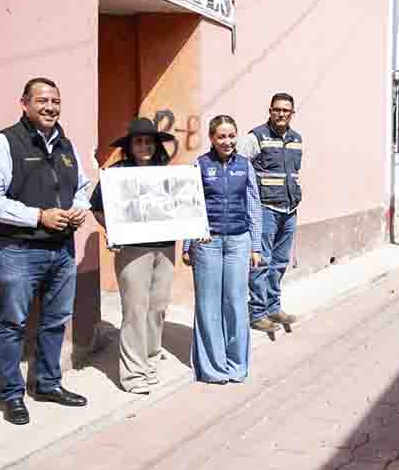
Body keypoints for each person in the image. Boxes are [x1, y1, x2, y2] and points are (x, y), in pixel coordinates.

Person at [0, 77, 90, 425]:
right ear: (24, 103)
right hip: (21, 249)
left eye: (55, 101)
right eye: (42, 100)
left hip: (63, 249)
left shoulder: (66, 145)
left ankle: (48, 383)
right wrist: (38, 216)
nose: (50, 107)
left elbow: (82, 186)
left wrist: (79, 208)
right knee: (13, 323)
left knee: (55, 320)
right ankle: (11, 395)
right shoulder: (3, 144)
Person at [90, 118, 176, 394]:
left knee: (157, 308)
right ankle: (133, 374)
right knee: (135, 310)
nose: (144, 146)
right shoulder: (116, 173)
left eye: (149, 141)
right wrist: (114, 230)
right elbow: (97, 208)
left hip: (165, 248)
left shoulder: (168, 173)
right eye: (138, 141)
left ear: (156, 145)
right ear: (129, 146)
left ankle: (150, 360)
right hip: (133, 250)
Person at [182, 115, 263, 383]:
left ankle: (237, 365)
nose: (227, 141)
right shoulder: (200, 165)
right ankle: (213, 368)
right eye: (221, 137)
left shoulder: (245, 166)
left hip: (239, 242)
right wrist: (187, 244)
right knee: (208, 305)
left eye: (231, 136)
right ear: (212, 138)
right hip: (208, 243)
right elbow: (191, 206)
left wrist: (256, 246)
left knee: (236, 303)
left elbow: (254, 206)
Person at [238, 93, 303, 335]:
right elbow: (238, 165)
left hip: (289, 209)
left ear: (292, 113)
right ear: (270, 111)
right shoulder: (256, 137)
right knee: (261, 262)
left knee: (280, 262)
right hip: (265, 209)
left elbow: (293, 174)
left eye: (286, 110)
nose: (281, 113)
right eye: (277, 109)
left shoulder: (296, 139)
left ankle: (273, 308)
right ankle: (257, 313)